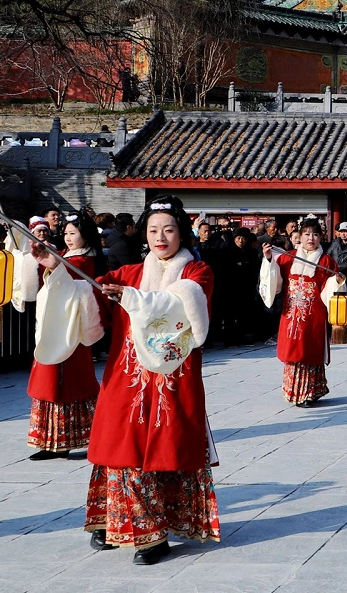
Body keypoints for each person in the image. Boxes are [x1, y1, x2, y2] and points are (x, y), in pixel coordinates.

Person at [31, 196, 217, 564]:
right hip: (127, 377)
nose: (160, 237)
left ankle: (154, 534)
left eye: (168, 229)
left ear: (182, 233)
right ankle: (113, 519)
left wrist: (133, 299)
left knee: (162, 447)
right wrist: (61, 270)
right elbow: (89, 295)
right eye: (153, 230)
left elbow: (183, 306)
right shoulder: (128, 272)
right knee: (120, 444)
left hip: (170, 379)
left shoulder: (197, 273)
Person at [24, 209, 105, 459]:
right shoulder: (67, 258)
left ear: (86, 237)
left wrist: (55, 264)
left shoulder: (84, 261)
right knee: (52, 380)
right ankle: (53, 440)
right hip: (55, 325)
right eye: (67, 233)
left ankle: (63, 439)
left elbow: (68, 276)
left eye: (74, 233)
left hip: (71, 330)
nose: (68, 238)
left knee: (65, 383)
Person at [260, 217, 344, 408]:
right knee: (293, 351)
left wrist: (337, 281)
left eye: (315, 234)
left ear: (321, 237)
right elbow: (275, 279)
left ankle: (310, 392)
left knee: (310, 351)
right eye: (306, 234)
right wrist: (268, 259)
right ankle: (295, 391)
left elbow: (330, 289)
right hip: (291, 313)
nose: (310, 238)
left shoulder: (326, 261)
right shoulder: (288, 257)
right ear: (299, 236)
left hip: (314, 314)